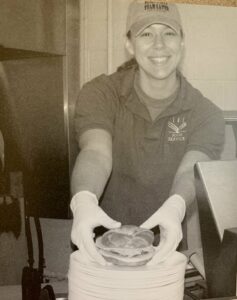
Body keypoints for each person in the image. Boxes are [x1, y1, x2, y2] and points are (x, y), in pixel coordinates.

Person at [70, 0, 225, 266]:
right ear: (129, 44)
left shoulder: (206, 113)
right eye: (146, 34)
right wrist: (83, 202)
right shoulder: (101, 93)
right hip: (98, 246)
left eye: (168, 33)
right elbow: (96, 152)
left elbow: (190, 171)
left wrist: (175, 209)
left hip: (165, 245)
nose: (159, 45)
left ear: (182, 42)